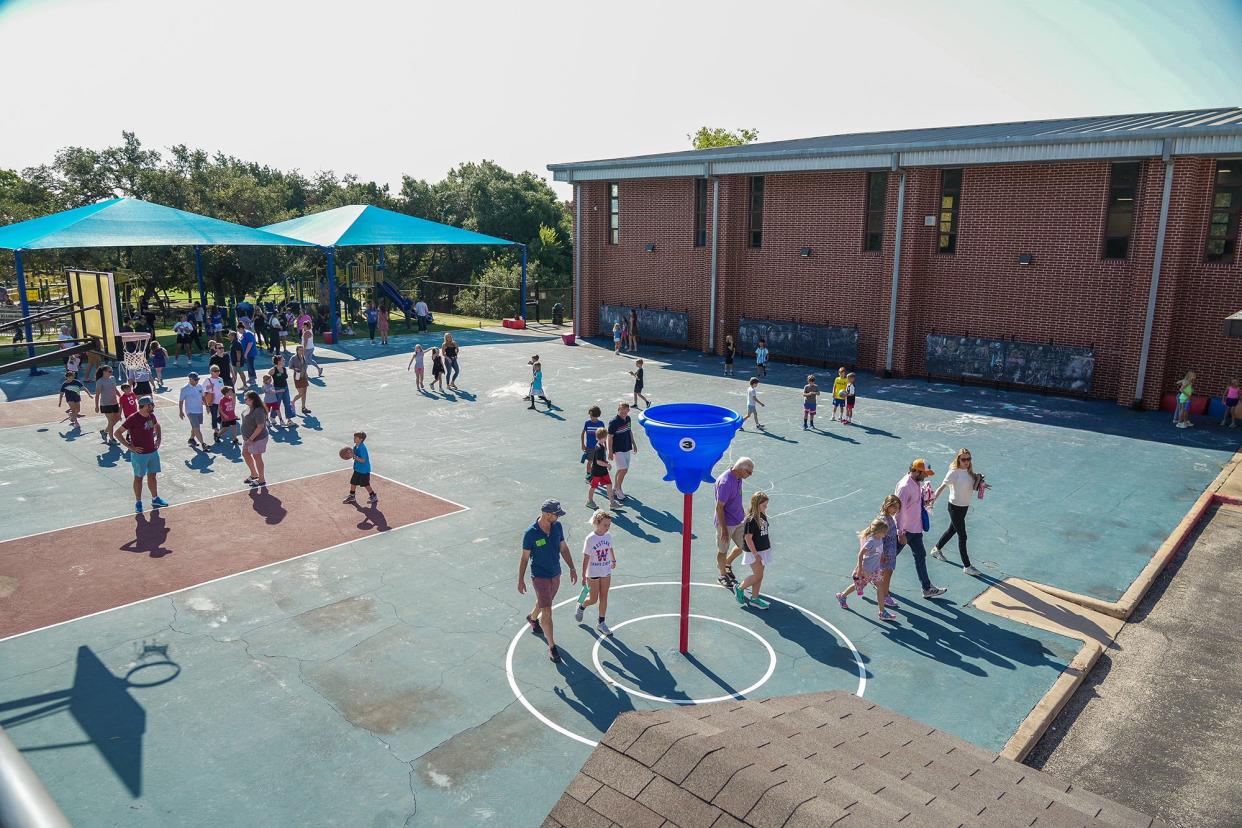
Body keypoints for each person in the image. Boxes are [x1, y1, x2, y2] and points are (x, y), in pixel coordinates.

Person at [518, 499, 578, 663]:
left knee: (545, 602)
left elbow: (563, 548)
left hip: (555, 574)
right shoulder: (531, 533)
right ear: (546, 514)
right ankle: (552, 647)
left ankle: (532, 617)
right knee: (548, 610)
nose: (558, 517)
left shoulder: (557, 527)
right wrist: (520, 580)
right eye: (556, 514)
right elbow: (524, 559)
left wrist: (572, 568)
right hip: (540, 577)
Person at [895, 459, 948, 599]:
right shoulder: (905, 487)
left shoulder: (916, 483)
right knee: (889, 558)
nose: (926, 477)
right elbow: (898, 511)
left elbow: (914, 504)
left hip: (916, 529)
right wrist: (900, 533)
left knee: (920, 556)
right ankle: (873, 578)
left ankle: (927, 588)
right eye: (924, 473)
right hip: (905, 531)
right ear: (916, 471)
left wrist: (926, 500)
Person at [930, 448, 988, 576]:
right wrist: (932, 500)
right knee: (963, 536)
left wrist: (982, 484)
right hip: (954, 507)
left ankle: (936, 549)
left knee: (952, 530)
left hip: (964, 507)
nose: (966, 462)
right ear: (958, 459)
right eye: (963, 459)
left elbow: (971, 485)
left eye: (968, 459)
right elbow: (942, 487)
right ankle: (967, 566)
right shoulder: (953, 472)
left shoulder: (969, 472)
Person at [836, 518, 897, 621]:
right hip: (866, 570)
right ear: (878, 532)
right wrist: (860, 569)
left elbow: (880, 549)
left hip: (875, 569)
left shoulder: (880, 539)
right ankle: (842, 596)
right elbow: (860, 555)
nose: (885, 534)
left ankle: (882, 612)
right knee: (858, 586)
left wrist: (882, 556)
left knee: (880, 587)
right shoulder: (871, 541)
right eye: (884, 532)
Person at [117, 396, 168, 513]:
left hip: (152, 453)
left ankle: (155, 498)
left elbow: (157, 425)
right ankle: (138, 502)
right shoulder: (133, 418)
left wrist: (158, 439)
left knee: (152, 476)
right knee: (138, 478)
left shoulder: (150, 416)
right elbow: (118, 433)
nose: (153, 406)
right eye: (151, 404)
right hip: (139, 455)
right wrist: (130, 447)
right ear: (145, 406)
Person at [574, 510, 616, 636]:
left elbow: (610, 548)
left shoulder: (608, 536)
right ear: (597, 523)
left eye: (609, 525)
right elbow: (586, 558)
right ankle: (581, 605)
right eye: (605, 525)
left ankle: (601, 622)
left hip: (606, 570)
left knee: (604, 596)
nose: (607, 527)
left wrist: (613, 559)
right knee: (593, 599)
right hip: (593, 572)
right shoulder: (590, 539)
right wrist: (583, 575)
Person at [714, 457, 753, 588]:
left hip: (738, 520)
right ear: (742, 469)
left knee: (745, 545)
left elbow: (738, 499)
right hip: (726, 523)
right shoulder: (725, 483)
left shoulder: (738, 478)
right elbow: (719, 507)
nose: (750, 475)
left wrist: (745, 516)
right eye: (750, 472)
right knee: (722, 550)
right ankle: (722, 575)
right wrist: (724, 529)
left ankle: (727, 563)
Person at [734, 491, 772, 609]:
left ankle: (755, 598)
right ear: (757, 504)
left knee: (760, 575)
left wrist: (767, 547)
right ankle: (740, 588)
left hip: (763, 550)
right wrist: (755, 554)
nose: (766, 507)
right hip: (754, 552)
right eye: (764, 505)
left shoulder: (762, 515)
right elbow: (748, 538)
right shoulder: (751, 520)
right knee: (757, 575)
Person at [607, 402, 639, 500]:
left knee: (621, 470)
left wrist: (634, 443)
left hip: (626, 448)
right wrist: (610, 451)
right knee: (624, 469)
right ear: (618, 410)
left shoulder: (628, 419)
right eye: (622, 411)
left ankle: (615, 488)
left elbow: (629, 431)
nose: (624, 413)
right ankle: (618, 489)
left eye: (626, 411)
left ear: (628, 411)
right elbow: (610, 437)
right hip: (618, 450)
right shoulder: (613, 422)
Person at [240, 390, 268, 487]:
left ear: (252, 400)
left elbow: (260, 427)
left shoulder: (258, 411)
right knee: (245, 453)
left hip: (257, 438)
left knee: (257, 457)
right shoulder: (249, 407)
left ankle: (261, 479)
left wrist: (250, 439)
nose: (244, 400)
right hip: (248, 438)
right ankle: (254, 474)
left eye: (246, 398)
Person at [586, 427, 618, 509]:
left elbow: (600, 460)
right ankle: (589, 501)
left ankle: (612, 503)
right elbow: (598, 462)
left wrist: (605, 462)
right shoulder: (599, 448)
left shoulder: (600, 445)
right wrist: (607, 465)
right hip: (597, 472)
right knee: (593, 486)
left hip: (603, 471)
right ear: (604, 437)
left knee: (609, 484)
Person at [342, 431, 377, 504]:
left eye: (356, 437)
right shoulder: (355, 447)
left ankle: (373, 496)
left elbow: (363, 460)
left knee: (366, 484)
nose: (354, 438)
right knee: (353, 482)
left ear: (360, 439)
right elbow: (354, 456)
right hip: (357, 469)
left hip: (364, 470)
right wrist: (348, 454)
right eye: (354, 437)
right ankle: (352, 496)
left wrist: (353, 456)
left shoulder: (362, 448)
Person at [178, 371, 207, 450]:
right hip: (191, 411)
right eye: (195, 380)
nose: (197, 381)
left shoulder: (200, 386)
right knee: (197, 428)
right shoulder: (184, 389)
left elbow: (203, 396)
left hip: (199, 410)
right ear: (190, 379)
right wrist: (180, 411)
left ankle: (191, 439)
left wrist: (207, 406)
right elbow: (181, 401)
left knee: (195, 427)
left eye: (197, 379)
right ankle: (203, 444)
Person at [94, 365, 121, 444]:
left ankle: (105, 432)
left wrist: (121, 397)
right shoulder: (100, 381)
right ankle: (111, 439)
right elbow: (97, 394)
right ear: (104, 372)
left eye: (111, 371)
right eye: (109, 371)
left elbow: (115, 389)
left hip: (114, 402)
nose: (111, 372)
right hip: (106, 404)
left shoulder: (112, 378)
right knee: (111, 421)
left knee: (117, 418)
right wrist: (96, 406)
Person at [580, 405, 605, 477]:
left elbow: (603, 435)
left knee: (599, 462)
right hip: (590, 447)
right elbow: (582, 433)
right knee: (590, 462)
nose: (592, 418)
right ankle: (588, 476)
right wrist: (582, 444)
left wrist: (605, 446)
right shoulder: (587, 423)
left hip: (599, 447)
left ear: (597, 415)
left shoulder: (601, 424)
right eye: (591, 416)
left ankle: (597, 476)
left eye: (593, 416)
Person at [203, 365, 225, 441]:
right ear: (211, 372)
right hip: (213, 402)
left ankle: (219, 429)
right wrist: (209, 387)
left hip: (221, 401)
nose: (217, 372)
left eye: (218, 370)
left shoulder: (220, 379)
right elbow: (204, 390)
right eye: (215, 371)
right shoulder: (208, 380)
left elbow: (223, 389)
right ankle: (216, 431)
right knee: (214, 416)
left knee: (221, 416)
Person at [271, 355, 294, 423]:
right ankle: (272, 417)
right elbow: (266, 379)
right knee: (277, 404)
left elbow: (285, 377)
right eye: (283, 360)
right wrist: (270, 387)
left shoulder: (284, 369)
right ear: (278, 361)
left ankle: (289, 419)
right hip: (277, 389)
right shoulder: (273, 370)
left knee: (287, 403)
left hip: (285, 388)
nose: (284, 360)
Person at [290, 346, 311, 414]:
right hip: (298, 377)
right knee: (301, 393)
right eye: (300, 350)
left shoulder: (303, 357)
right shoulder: (293, 358)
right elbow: (290, 366)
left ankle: (303, 407)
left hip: (304, 376)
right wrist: (295, 369)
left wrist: (306, 374)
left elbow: (304, 366)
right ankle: (293, 402)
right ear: (297, 351)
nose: (302, 351)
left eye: (302, 350)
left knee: (304, 393)